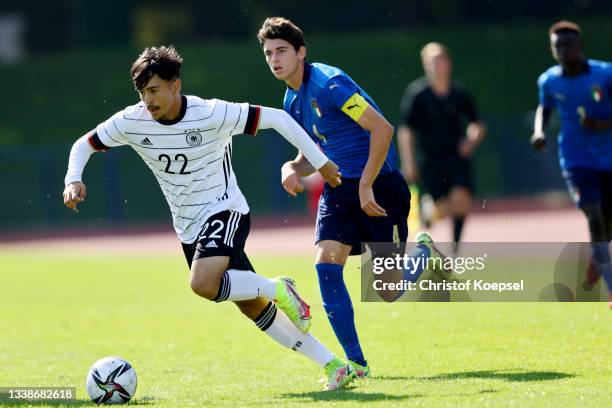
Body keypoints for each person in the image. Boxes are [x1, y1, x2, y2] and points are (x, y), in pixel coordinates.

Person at [62, 45, 355, 390]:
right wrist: (73, 178)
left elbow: (277, 118)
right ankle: (333, 364)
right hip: (188, 227)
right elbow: (84, 144)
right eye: (142, 93)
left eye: (154, 90)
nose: (148, 100)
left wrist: (319, 162)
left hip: (225, 209)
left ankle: (278, 286)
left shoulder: (211, 113)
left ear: (175, 86)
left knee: (202, 284)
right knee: (249, 305)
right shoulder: (132, 120)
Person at [257, 17, 446, 382]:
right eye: (268, 53)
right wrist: (290, 166)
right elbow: (312, 151)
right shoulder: (290, 97)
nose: (274, 59)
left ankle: (422, 252)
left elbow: (382, 130)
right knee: (326, 267)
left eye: (281, 51)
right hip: (339, 189)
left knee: (387, 291)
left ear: (301, 52)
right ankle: (355, 363)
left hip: (380, 187)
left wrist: (366, 186)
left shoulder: (329, 84)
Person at [531, 21, 612, 306]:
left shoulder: (605, 74)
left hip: (609, 158)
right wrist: (540, 131)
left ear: (580, 46)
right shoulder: (549, 81)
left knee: (606, 222)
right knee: (593, 217)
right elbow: (545, 107)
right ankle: (610, 285)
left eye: (568, 45)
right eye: (558, 46)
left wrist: (601, 123)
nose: (563, 50)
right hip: (577, 160)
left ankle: (595, 255)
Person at [398, 42, 486, 250]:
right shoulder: (417, 95)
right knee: (442, 209)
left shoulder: (460, 93)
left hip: (456, 158)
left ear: (448, 63)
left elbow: (478, 124)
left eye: (439, 60)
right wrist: (408, 162)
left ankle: (455, 248)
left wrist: (470, 141)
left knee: (461, 200)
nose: (436, 66)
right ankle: (429, 213)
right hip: (429, 159)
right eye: (431, 62)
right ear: (425, 65)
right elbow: (406, 130)